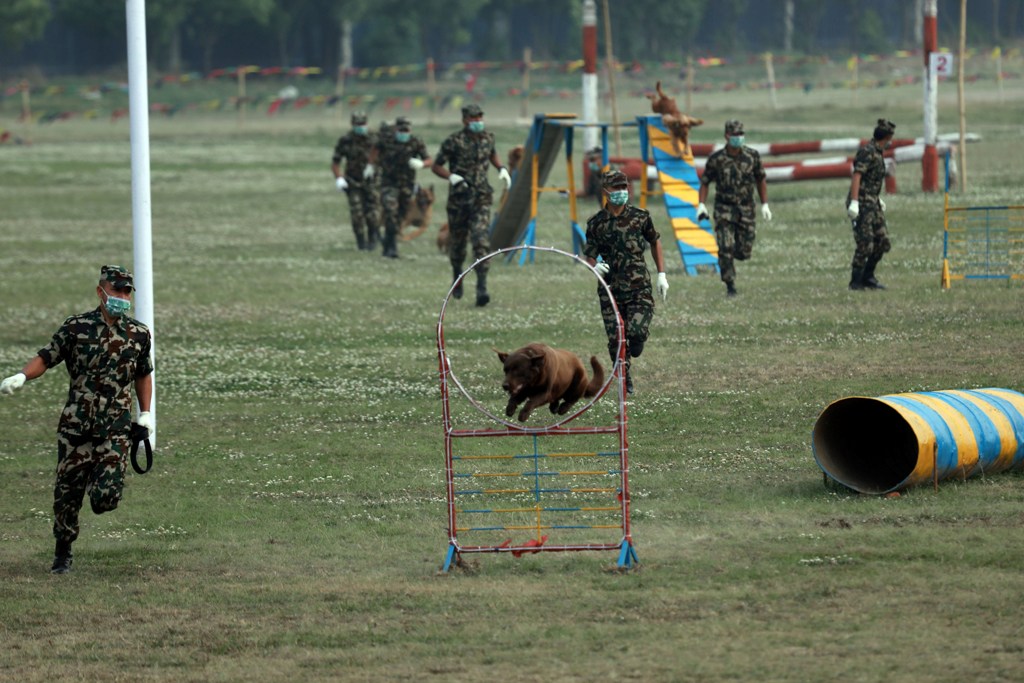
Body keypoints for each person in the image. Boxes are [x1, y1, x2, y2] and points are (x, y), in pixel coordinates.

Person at [0, 265, 154, 574]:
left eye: (127, 292)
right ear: (101, 292)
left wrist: (146, 413)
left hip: (115, 428)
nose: (122, 297)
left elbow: (143, 375)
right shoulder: (76, 328)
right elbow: (46, 357)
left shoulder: (138, 334)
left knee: (105, 499)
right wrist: (21, 376)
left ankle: (99, 486)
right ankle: (63, 553)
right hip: (76, 428)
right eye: (117, 291)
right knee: (67, 496)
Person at [583, 170, 669, 395]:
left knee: (636, 332)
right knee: (616, 340)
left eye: (624, 187)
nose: (621, 192)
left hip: (639, 286)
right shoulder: (596, 223)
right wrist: (594, 266)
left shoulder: (640, 216)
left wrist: (662, 274)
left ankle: (639, 340)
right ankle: (625, 378)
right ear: (605, 192)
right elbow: (589, 253)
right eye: (616, 188)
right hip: (610, 289)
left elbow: (654, 241)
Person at [431, 103, 512, 307]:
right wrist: (451, 177)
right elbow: (436, 165)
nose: (477, 122)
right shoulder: (454, 141)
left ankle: (482, 287)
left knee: (480, 240)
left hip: (481, 197)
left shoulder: (488, 137)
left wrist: (501, 168)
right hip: (459, 200)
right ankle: (457, 277)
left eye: (479, 118)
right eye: (473, 119)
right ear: (465, 120)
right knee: (457, 244)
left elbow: (492, 152)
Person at [697, 119, 772, 297]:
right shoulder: (717, 159)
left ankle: (737, 254)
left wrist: (765, 204)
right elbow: (705, 182)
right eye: (735, 135)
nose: (738, 137)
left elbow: (761, 178)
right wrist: (701, 205)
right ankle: (730, 284)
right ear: (727, 136)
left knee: (744, 251)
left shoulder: (752, 156)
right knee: (725, 246)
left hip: (746, 208)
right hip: (724, 208)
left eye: (741, 134)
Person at [846, 118, 895, 290]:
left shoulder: (878, 151)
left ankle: (868, 276)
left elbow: (871, 179)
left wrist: (877, 197)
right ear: (886, 137)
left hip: (872, 202)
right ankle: (856, 281)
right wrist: (854, 202)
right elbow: (857, 175)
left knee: (883, 242)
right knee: (865, 243)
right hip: (861, 203)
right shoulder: (868, 151)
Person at [376, 116, 432, 259]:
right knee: (390, 211)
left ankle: (387, 244)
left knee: (399, 216)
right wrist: (371, 166)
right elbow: (374, 151)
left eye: (406, 129)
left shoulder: (415, 142)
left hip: (406, 186)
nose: (404, 132)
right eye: (401, 129)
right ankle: (392, 248)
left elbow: (429, 160)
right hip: (389, 183)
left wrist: (422, 164)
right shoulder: (386, 140)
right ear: (396, 129)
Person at [331, 111, 382, 252]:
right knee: (357, 214)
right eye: (357, 124)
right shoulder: (346, 140)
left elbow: (385, 156)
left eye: (363, 124)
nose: (360, 127)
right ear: (352, 124)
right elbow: (336, 161)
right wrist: (339, 178)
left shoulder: (375, 138)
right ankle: (361, 243)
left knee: (373, 214)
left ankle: (373, 240)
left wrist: (374, 167)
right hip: (353, 182)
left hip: (372, 181)